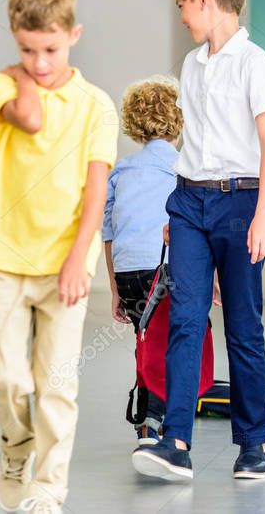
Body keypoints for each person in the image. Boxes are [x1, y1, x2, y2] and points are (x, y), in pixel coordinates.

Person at [0, 0, 118, 513]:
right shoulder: (2, 86)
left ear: (74, 34)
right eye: (27, 50)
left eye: (51, 49)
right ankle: (16, 446)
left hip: (64, 263)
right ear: (15, 37)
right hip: (2, 254)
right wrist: (20, 76)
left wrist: (79, 259)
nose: (39, 62)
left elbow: (96, 188)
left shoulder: (97, 105)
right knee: (5, 377)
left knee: (56, 383)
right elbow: (28, 120)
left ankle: (49, 486)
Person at [133, 0, 265, 482]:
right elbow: (192, 142)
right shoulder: (190, 66)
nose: (181, 17)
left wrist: (264, 216)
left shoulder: (254, 62)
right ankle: (175, 441)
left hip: (242, 204)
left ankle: (253, 445)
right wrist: (179, 207)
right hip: (190, 201)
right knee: (186, 321)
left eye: (182, 5)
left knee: (244, 327)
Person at [102, 76, 182, 446]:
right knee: (171, 343)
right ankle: (155, 418)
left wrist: (116, 289)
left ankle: (146, 416)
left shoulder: (121, 170)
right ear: (180, 121)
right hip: (163, 270)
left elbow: (109, 231)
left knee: (145, 337)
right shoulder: (184, 169)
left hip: (129, 273)